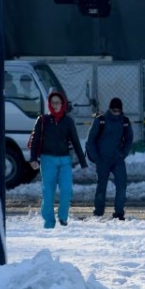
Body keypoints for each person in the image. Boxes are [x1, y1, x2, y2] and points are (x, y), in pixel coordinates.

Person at [29, 91, 89, 229]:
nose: (55, 105)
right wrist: (33, 158)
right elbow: (35, 140)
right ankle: (49, 222)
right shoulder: (42, 120)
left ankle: (63, 216)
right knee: (48, 192)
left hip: (64, 160)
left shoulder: (68, 122)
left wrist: (83, 161)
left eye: (58, 102)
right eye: (53, 102)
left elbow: (75, 142)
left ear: (63, 104)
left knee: (67, 189)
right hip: (47, 160)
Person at [86, 97, 134, 221]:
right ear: (110, 109)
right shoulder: (100, 120)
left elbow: (129, 139)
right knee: (101, 186)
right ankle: (98, 212)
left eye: (118, 110)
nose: (116, 112)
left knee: (122, 185)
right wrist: (97, 158)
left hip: (117, 159)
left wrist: (123, 154)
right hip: (103, 159)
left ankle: (119, 212)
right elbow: (90, 141)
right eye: (114, 110)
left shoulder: (125, 122)